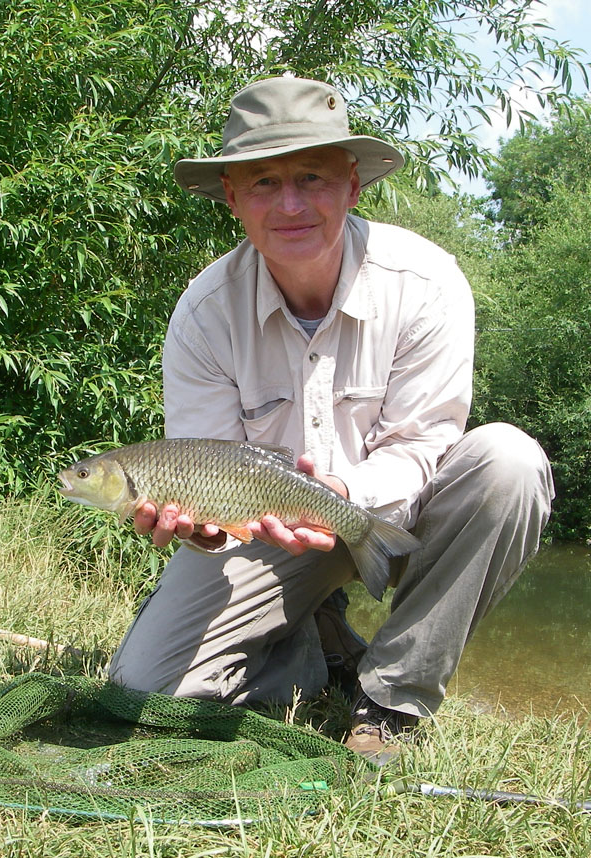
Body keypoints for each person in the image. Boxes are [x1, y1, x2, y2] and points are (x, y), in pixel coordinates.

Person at [107, 75, 554, 763]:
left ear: (352, 184)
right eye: (262, 183)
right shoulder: (203, 314)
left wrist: (344, 499)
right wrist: (191, 527)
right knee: (146, 691)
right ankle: (316, 648)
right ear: (232, 198)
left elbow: (421, 446)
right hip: (268, 530)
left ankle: (391, 701)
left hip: (399, 513)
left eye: (311, 176)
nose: (289, 204)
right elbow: (207, 479)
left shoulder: (428, 283)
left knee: (509, 463)